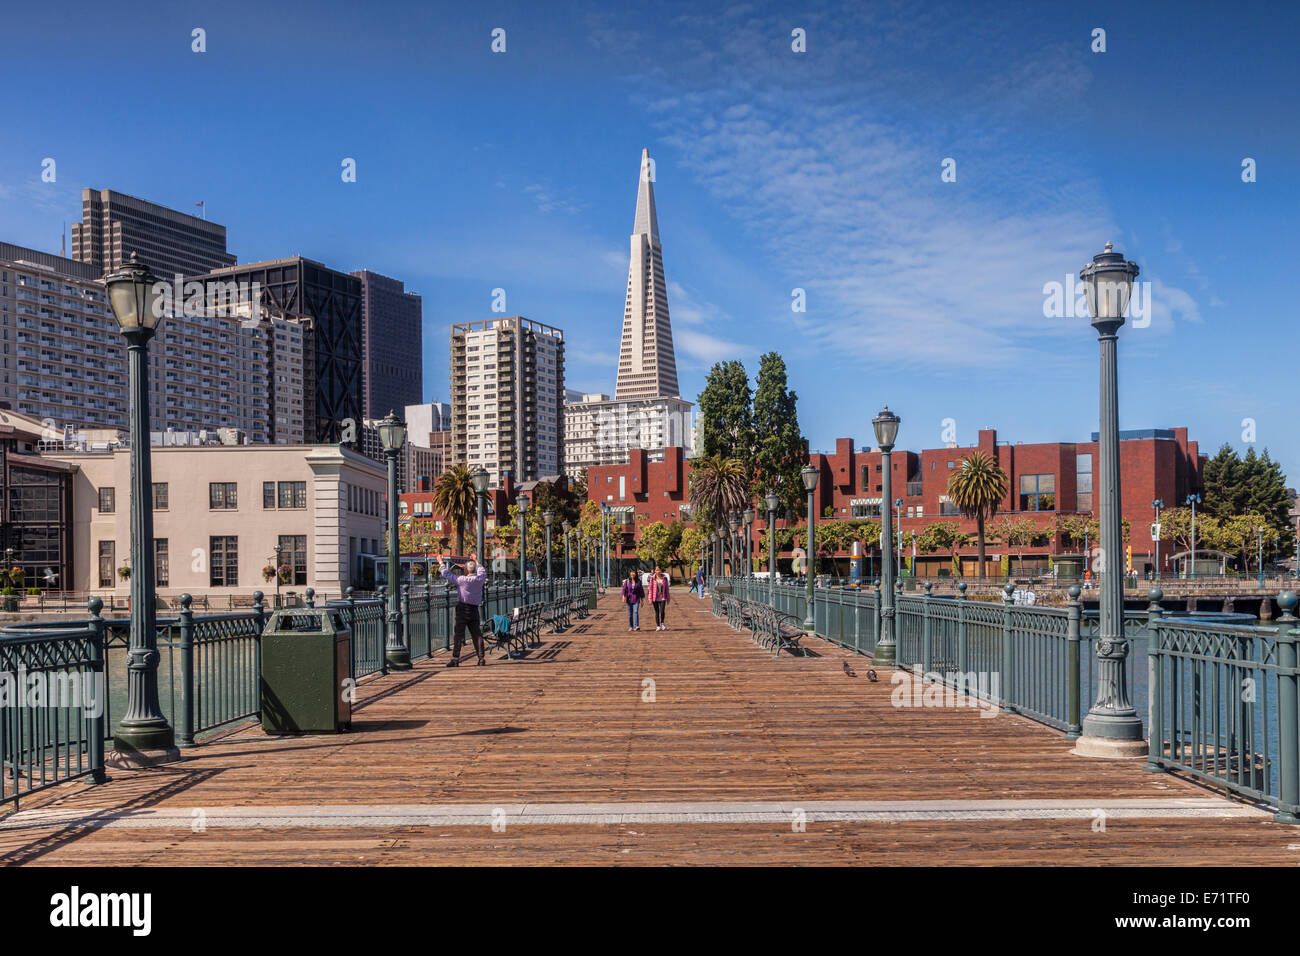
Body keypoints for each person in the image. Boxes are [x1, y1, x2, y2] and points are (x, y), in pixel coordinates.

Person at [441, 554, 487, 666]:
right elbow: (482, 570)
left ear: (466, 570)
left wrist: (441, 563)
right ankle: (481, 658)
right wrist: (476, 560)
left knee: (458, 634)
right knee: (477, 634)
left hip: (462, 609)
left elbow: (447, 574)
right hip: (474, 609)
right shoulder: (480, 579)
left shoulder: (462, 579)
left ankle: (455, 659)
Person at [649, 566, 671, 630]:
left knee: (662, 611)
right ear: (655, 571)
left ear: (661, 570)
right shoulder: (652, 579)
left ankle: (662, 623)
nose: (658, 571)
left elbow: (667, 589)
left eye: (659, 570)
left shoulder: (664, 578)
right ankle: (658, 625)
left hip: (662, 597)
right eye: (656, 570)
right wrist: (650, 599)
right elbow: (650, 589)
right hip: (655, 598)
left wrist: (668, 598)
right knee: (657, 612)